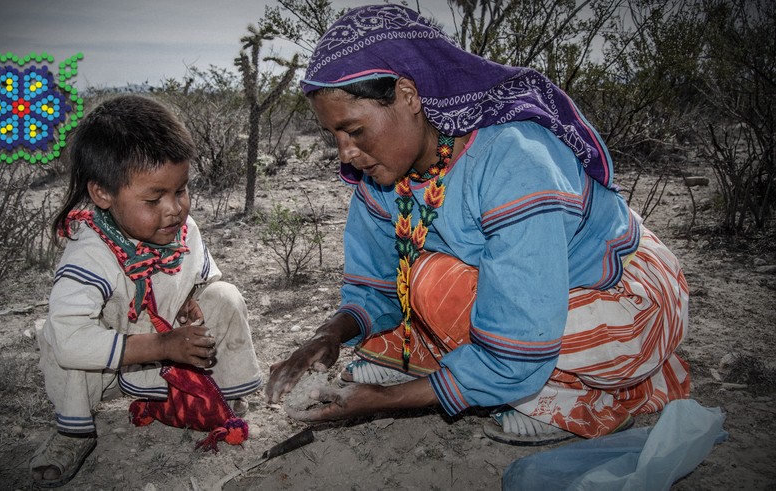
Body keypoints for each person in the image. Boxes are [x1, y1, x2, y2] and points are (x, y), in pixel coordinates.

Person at [265, 4, 690, 446]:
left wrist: (385, 400)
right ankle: (463, 367)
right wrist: (328, 335)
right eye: (333, 136)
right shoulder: (382, 175)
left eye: (354, 131)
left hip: (617, 297)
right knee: (419, 285)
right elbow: (375, 285)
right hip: (527, 297)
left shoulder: (513, 162)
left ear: (409, 97)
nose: (345, 153)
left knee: (433, 284)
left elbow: (517, 342)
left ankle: (572, 399)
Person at [30, 95, 261, 487]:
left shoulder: (182, 231)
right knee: (59, 335)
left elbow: (204, 275)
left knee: (225, 297)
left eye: (181, 190)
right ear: (102, 193)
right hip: (108, 358)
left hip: (168, 341)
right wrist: (161, 346)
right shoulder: (90, 253)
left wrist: (191, 299)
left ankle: (225, 398)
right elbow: (73, 340)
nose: (174, 209)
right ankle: (73, 431)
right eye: (154, 199)